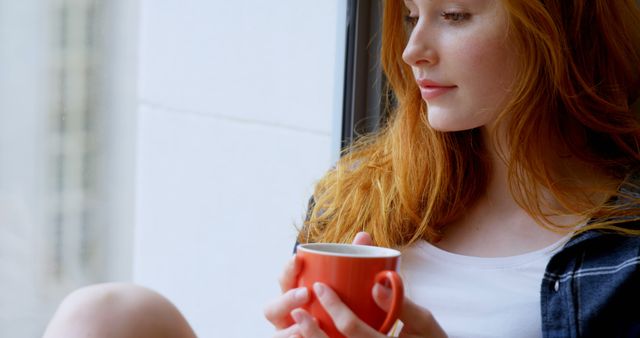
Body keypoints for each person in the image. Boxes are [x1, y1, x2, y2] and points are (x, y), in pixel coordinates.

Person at [264, 0, 640, 337]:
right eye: (412, 16)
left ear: (558, 26)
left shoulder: (626, 254)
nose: (413, 52)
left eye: (453, 15)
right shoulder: (355, 198)